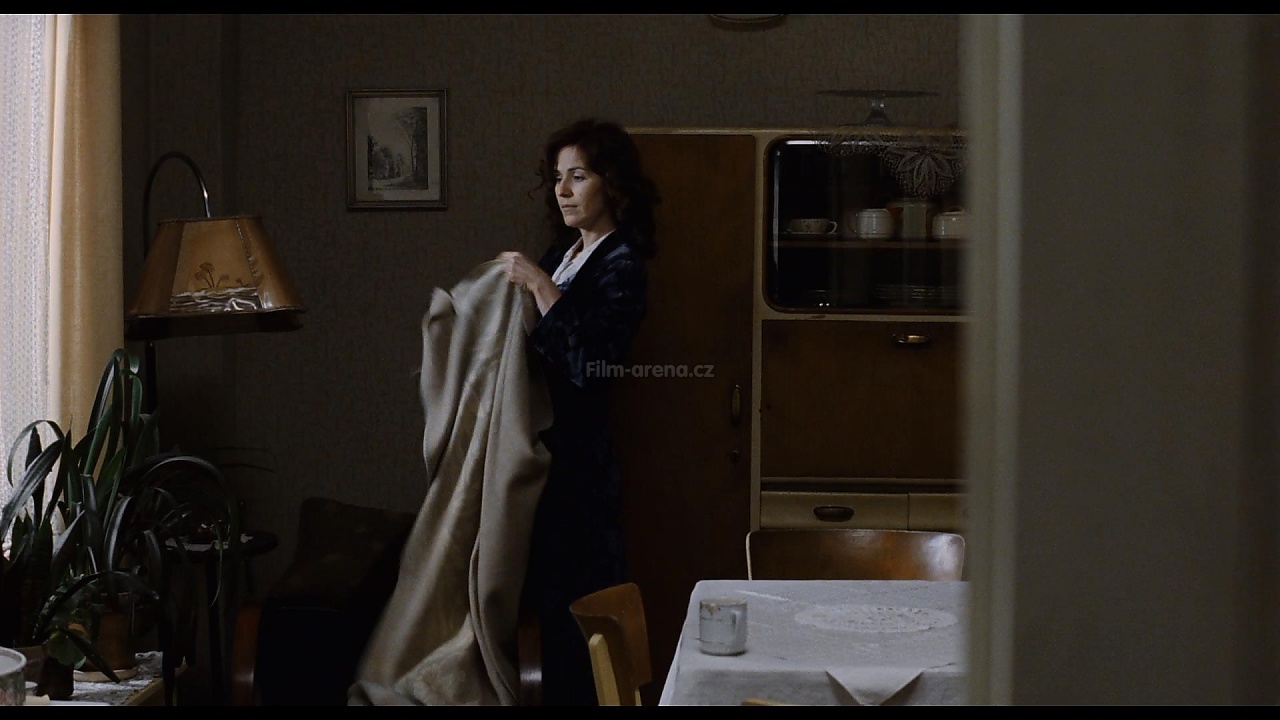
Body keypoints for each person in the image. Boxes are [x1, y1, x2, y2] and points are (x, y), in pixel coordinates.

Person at [497, 118, 659, 706]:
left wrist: (541, 286)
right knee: (544, 605)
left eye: (579, 176)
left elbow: (589, 365)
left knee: (581, 608)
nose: (562, 191)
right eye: (557, 178)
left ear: (610, 184)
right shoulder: (565, 253)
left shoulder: (622, 264)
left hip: (580, 468)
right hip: (544, 457)